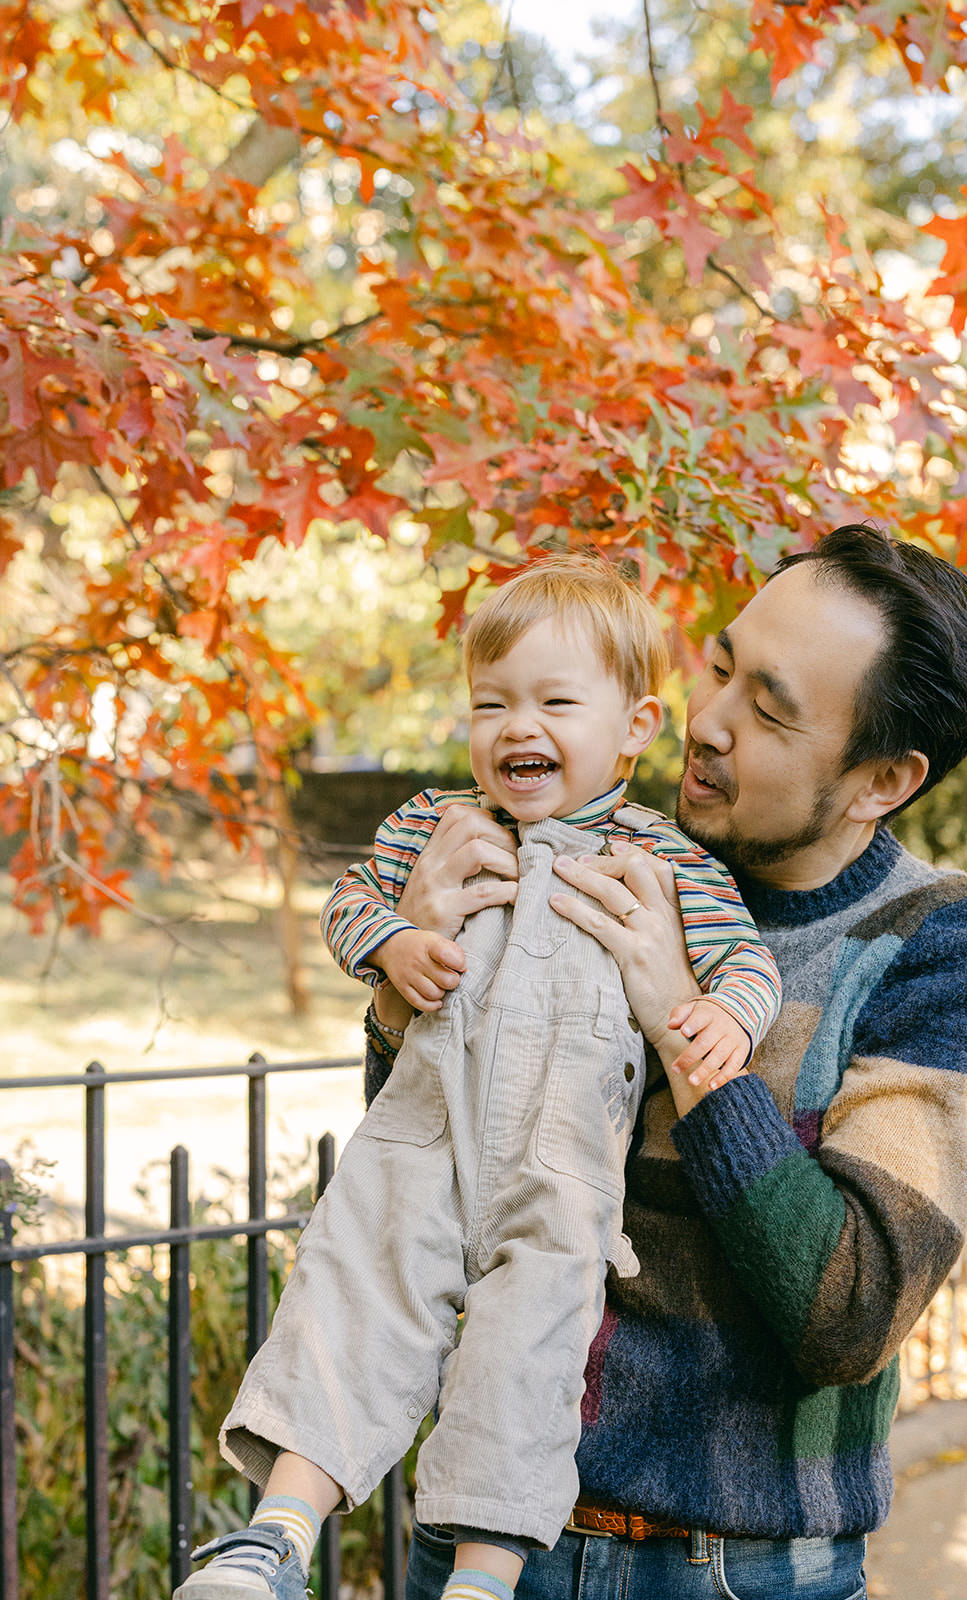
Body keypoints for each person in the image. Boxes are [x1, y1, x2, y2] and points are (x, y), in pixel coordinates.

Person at [390, 525, 967, 1600]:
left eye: (767, 708)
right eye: (720, 666)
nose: (704, 721)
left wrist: (690, 1028)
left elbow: (851, 1310)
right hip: (481, 1541)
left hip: (732, 1573)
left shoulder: (939, 947)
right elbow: (438, 1173)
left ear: (880, 778)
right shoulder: (597, 853)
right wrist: (407, 978)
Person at [176, 556, 781, 1600]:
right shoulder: (436, 823)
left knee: (528, 1354)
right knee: (353, 1294)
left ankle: (482, 1578)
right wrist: (397, 942)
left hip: (561, 1164)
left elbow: (744, 962)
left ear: (635, 726)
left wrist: (724, 1012)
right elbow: (347, 903)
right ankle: (275, 1534)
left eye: (553, 700)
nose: (515, 726)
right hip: (421, 1137)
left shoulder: (665, 858)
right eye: (490, 702)